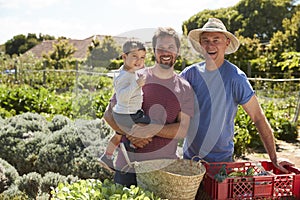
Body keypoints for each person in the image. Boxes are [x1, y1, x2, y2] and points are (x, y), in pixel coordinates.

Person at [181, 17, 290, 173]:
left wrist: (274, 158)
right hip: (190, 160)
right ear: (200, 44)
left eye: (216, 40)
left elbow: (258, 117)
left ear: (226, 43)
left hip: (220, 163)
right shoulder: (189, 74)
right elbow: (171, 105)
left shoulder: (235, 77)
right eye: (205, 40)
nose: (210, 45)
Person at [103, 27, 194, 187]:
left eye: (171, 48)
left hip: (164, 170)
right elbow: (109, 114)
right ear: (154, 50)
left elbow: (183, 129)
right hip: (128, 168)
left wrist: (150, 130)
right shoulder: (135, 76)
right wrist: (132, 133)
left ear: (178, 51)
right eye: (161, 48)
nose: (166, 52)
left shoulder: (184, 88)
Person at [99, 40, 150, 172]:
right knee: (148, 124)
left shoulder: (128, 72)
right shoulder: (125, 77)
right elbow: (121, 96)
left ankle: (107, 156)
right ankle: (131, 152)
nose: (139, 61)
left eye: (142, 57)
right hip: (128, 114)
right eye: (134, 56)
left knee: (118, 135)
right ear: (124, 57)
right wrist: (137, 85)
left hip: (125, 112)